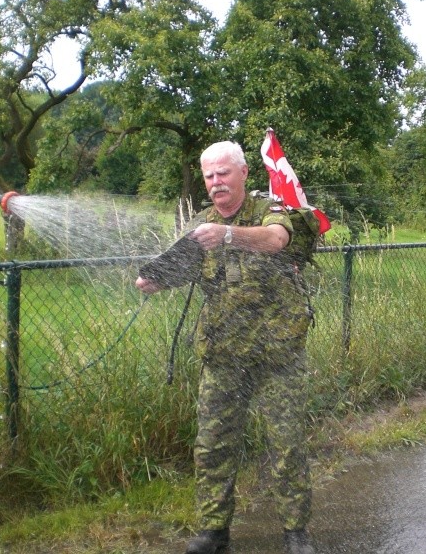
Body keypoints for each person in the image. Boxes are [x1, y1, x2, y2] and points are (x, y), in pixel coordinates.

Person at [136, 141, 316, 554]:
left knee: (286, 444)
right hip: (223, 354)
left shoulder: (271, 208)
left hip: (277, 352)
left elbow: (275, 240)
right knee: (213, 444)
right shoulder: (201, 225)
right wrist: (153, 280)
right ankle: (214, 531)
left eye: (223, 173)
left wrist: (229, 235)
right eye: (209, 176)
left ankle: (295, 533)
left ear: (243, 174)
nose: (216, 182)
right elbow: (180, 269)